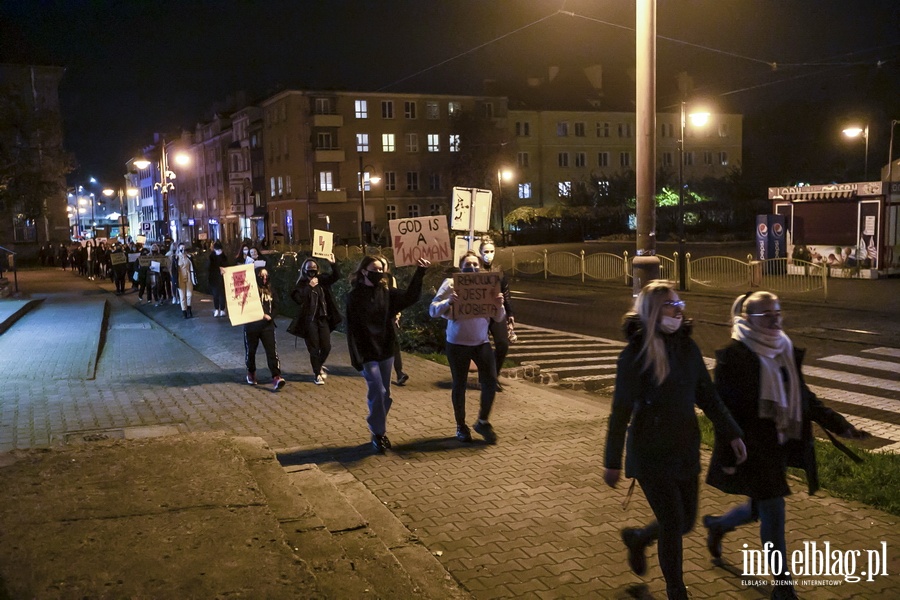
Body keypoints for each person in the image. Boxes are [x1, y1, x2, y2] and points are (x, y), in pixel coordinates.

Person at [702, 291, 869, 600]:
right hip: (751, 448)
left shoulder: (784, 349)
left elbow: (804, 397)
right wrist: (726, 452)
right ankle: (783, 587)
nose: (775, 319)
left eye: (778, 313)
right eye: (767, 315)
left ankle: (717, 525)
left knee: (758, 509)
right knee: (773, 509)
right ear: (747, 319)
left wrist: (840, 424)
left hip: (779, 444)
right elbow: (722, 412)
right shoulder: (733, 356)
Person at [603, 280, 747, 600]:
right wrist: (612, 461)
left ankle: (639, 538)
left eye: (680, 305)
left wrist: (732, 432)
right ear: (654, 311)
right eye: (672, 305)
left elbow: (708, 397)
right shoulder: (635, 355)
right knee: (672, 522)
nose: (679, 311)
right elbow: (620, 411)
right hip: (650, 452)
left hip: (684, 447)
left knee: (684, 522)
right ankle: (676, 591)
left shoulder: (687, 348)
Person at [346, 255, 430, 453]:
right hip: (367, 352)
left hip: (386, 349)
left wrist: (420, 272)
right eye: (375, 269)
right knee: (378, 391)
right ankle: (379, 432)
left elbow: (410, 297)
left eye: (382, 269)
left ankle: (377, 425)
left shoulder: (387, 293)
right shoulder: (354, 296)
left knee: (386, 395)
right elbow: (351, 328)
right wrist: (355, 356)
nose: (379, 273)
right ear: (364, 270)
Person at [429, 251, 506, 445]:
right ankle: (460, 426)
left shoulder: (488, 285)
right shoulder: (451, 284)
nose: (471, 268)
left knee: (490, 382)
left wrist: (499, 305)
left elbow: (497, 318)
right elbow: (433, 310)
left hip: (481, 342)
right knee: (459, 384)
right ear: (460, 266)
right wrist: (449, 301)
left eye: (475, 264)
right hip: (457, 344)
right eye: (467, 264)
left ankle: (483, 421)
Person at [290, 257, 341, 384]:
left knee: (326, 347)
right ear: (304, 270)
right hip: (309, 320)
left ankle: (319, 365)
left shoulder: (322, 281)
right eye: (309, 269)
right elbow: (298, 299)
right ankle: (317, 374)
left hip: (323, 318)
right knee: (314, 348)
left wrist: (333, 263)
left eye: (314, 268)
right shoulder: (301, 284)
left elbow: (336, 276)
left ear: (317, 269)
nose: (311, 271)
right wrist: (309, 287)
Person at [478, 239, 514, 392]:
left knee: (503, 344)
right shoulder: (475, 270)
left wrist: (510, 313)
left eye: (491, 251)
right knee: (480, 346)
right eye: (486, 251)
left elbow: (505, 293)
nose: (489, 255)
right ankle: (487, 377)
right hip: (479, 314)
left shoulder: (499, 271)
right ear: (480, 253)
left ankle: (494, 374)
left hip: (496, 312)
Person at [244, 267, 285, 390]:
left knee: (272, 352)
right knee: (251, 351)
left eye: (266, 275)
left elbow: (277, 306)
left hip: (267, 326)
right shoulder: (249, 289)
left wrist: (271, 316)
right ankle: (251, 372)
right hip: (252, 326)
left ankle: (276, 376)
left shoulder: (271, 289)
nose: (264, 278)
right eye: (261, 275)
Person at [208, 241, 229, 317]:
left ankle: (222, 309)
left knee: (222, 295)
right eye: (218, 249)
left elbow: (227, 265)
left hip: (223, 279)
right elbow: (210, 268)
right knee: (216, 294)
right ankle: (216, 309)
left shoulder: (224, 256)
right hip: (214, 279)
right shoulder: (211, 257)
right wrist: (218, 269)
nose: (219, 251)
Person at [175, 242, 195, 318]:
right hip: (180, 278)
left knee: (189, 294)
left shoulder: (188, 257)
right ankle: (184, 312)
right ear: (178, 248)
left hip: (188, 277)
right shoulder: (176, 258)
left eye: (184, 248)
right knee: (182, 296)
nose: (183, 249)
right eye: (181, 248)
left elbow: (192, 267)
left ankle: (189, 309)